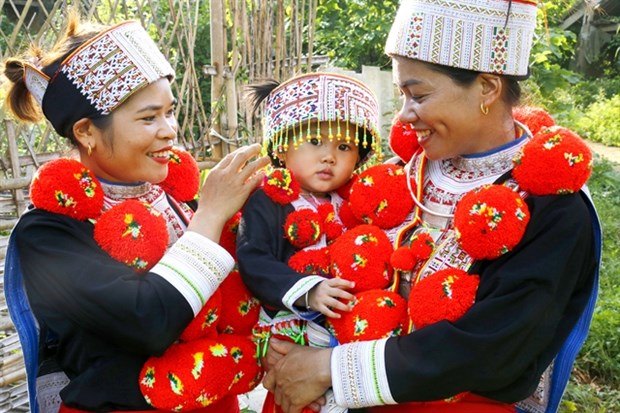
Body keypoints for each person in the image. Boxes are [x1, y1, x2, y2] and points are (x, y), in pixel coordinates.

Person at [261, 1, 602, 413]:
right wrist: (289, 348)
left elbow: (496, 348)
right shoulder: (402, 175)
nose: (404, 116)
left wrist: (331, 370)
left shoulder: (553, 209)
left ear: (488, 88)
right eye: (403, 95)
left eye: (418, 95)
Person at [2, 11, 269, 413]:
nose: (169, 130)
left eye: (170, 111)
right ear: (86, 131)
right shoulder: (50, 234)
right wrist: (210, 217)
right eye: (148, 117)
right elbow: (148, 322)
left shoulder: (181, 203)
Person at [237, 73, 382, 413]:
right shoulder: (266, 201)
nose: (329, 156)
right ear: (283, 145)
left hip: (349, 346)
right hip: (292, 342)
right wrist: (309, 290)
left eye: (344, 147)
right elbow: (253, 258)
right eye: (316, 140)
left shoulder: (355, 206)